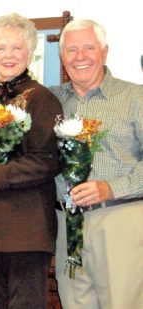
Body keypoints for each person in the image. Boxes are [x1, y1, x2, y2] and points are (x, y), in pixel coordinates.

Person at [0, 13, 62, 308]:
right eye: (0, 48)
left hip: (26, 229)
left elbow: (48, 160)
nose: (8, 55)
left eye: (17, 48)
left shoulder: (41, 98)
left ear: (30, 52)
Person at [52, 19, 143, 309]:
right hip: (66, 225)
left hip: (119, 219)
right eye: (71, 50)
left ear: (104, 52)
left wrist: (110, 188)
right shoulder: (51, 100)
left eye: (89, 48)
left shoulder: (135, 97)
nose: (80, 57)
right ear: (62, 56)